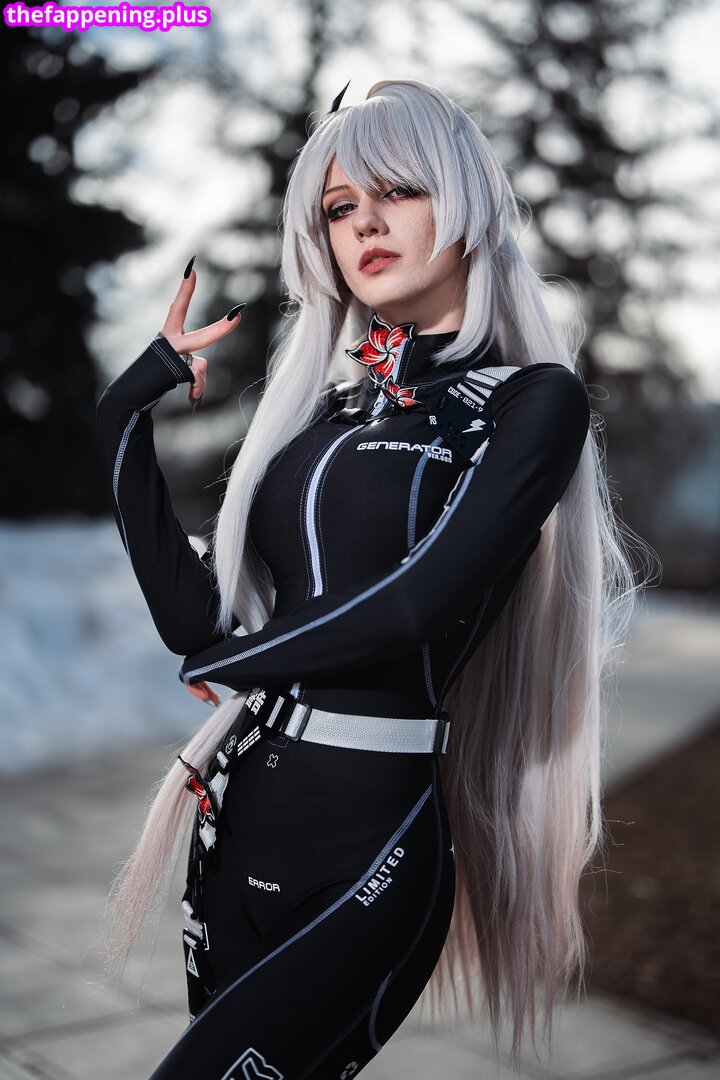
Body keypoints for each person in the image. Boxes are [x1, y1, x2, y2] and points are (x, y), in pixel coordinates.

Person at [95, 79, 640, 1078]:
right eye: (340, 207)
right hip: (239, 819)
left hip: (372, 846)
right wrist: (123, 415)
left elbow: (420, 600)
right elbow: (195, 625)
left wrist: (238, 662)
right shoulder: (321, 413)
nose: (366, 224)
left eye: (400, 190)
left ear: (467, 199)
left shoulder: (529, 401)